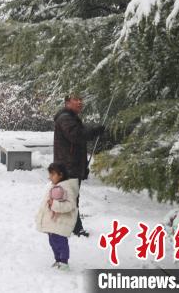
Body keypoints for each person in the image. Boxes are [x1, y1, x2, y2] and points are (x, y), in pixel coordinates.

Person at [53, 94, 104, 237]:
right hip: (67, 166)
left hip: (72, 165)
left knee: (70, 196)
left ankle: (69, 225)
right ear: (67, 102)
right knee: (70, 197)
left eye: (81, 100)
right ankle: (74, 227)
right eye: (76, 100)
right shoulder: (65, 118)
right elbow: (76, 135)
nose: (80, 102)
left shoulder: (71, 118)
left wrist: (83, 168)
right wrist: (94, 132)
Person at [35, 163, 78, 271]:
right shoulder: (54, 186)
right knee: (53, 242)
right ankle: (58, 259)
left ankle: (64, 262)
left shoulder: (66, 187)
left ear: (61, 175)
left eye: (52, 174)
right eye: (50, 174)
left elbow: (70, 205)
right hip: (53, 222)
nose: (50, 177)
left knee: (61, 242)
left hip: (61, 222)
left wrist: (53, 204)